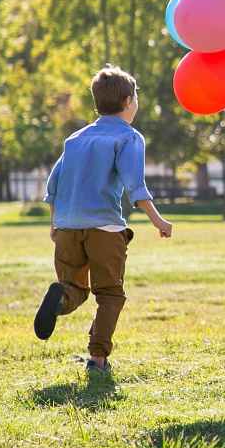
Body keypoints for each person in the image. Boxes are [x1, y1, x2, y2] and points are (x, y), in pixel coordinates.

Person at [33, 65, 174, 375]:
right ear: (127, 101)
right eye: (136, 96)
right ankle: (97, 359)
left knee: (75, 289)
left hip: (67, 227)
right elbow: (135, 186)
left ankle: (59, 300)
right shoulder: (128, 137)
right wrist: (159, 221)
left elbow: (53, 186)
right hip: (104, 228)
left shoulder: (75, 139)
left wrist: (55, 226)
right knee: (109, 294)